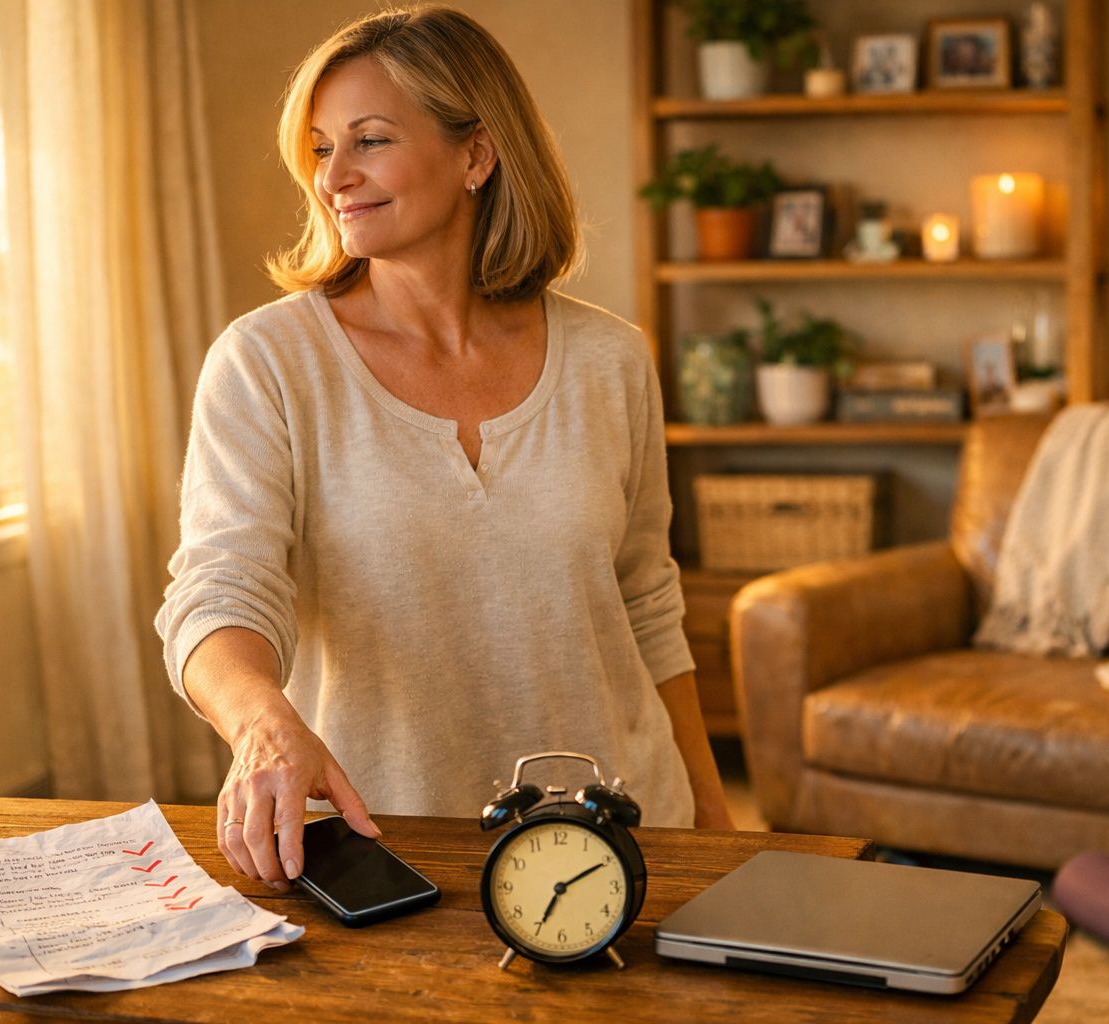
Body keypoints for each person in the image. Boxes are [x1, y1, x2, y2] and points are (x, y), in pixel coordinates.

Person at [155, 5, 733, 895]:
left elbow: (646, 600)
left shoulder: (613, 360)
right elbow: (218, 589)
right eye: (319, 148)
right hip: (379, 845)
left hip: (616, 836)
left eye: (369, 141)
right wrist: (263, 722)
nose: (333, 177)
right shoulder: (267, 363)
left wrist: (710, 815)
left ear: (476, 154)